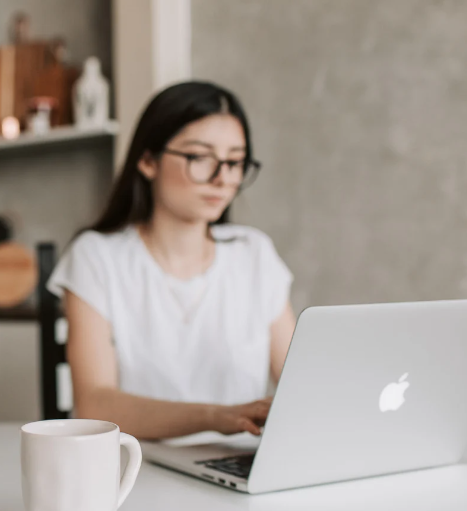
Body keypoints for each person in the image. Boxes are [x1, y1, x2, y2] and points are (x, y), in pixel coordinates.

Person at [47, 81, 296, 440]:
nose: (222, 178)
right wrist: (215, 416)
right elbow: (95, 405)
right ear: (148, 161)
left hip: (239, 468)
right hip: (136, 470)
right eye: (200, 158)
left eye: (235, 161)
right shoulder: (96, 258)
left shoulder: (254, 254)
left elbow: (297, 385)